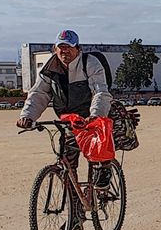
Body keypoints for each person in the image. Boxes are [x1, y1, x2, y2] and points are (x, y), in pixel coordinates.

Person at [17, 30, 115, 182]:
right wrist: (27, 116)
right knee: (67, 164)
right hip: (68, 121)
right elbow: (39, 94)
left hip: (90, 119)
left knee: (98, 160)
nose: (65, 51)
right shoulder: (49, 69)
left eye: (69, 46)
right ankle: (74, 201)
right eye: (61, 47)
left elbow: (100, 92)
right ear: (54, 49)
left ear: (78, 49)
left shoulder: (89, 63)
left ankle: (103, 185)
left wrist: (95, 115)